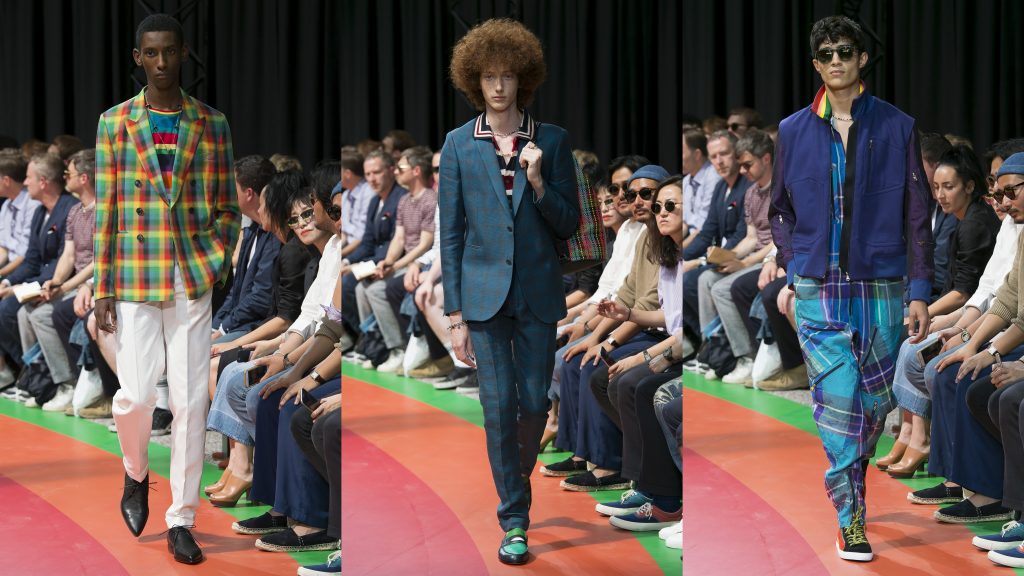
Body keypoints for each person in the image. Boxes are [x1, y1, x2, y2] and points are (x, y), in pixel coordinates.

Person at [769, 16, 933, 562]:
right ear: (816, 64)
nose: (836, 60)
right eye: (826, 53)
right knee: (837, 398)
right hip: (818, 285)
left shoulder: (898, 126)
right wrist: (795, 266)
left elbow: (917, 213)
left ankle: (853, 474)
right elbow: (779, 210)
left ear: (862, 58)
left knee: (874, 403)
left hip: (881, 283)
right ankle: (851, 516)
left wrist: (919, 289)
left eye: (845, 51)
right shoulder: (793, 129)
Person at [93, 13, 240, 565]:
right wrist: (103, 285)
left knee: (189, 401)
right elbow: (107, 209)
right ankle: (135, 472)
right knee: (134, 395)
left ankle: (181, 516)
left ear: (183, 54)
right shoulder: (114, 122)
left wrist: (216, 259)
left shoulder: (212, 123)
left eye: (169, 52)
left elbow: (227, 205)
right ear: (138, 58)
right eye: (150, 53)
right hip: (134, 273)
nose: (160, 63)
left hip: (190, 277)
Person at [439, 18, 579, 565]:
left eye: (508, 76)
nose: (499, 86)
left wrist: (539, 181)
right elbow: (450, 233)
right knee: (498, 407)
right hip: (483, 297)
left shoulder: (553, 140)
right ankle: (514, 518)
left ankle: (513, 483)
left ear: (524, 79)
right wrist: (455, 314)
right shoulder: (458, 144)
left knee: (533, 403)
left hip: (538, 294)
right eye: (489, 76)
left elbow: (568, 223)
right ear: (475, 81)